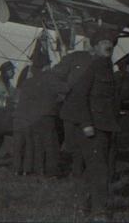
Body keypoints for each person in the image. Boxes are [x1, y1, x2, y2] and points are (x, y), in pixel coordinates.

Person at [61, 28, 121, 219]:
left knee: (96, 168)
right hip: (93, 127)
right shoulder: (92, 68)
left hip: (106, 126)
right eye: (103, 43)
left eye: (110, 43)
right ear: (94, 48)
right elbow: (79, 96)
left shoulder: (108, 69)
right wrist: (86, 124)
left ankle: (83, 205)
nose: (108, 46)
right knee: (100, 169)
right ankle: (99, 211)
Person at [52, 38, 96, 177]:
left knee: (87, 143)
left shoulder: (101, 62)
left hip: (91, 109)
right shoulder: (76, 57)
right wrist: (65, 89)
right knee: (71, 143)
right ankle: (73, 171)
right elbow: (55, 74)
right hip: (72, 107)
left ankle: (80, 172)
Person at [30, 46, 66, 177]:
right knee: (51, 143)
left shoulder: (32, 79)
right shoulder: (50, 78)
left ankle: (38, 170)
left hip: (34, 116)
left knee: (38, 143)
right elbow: (64, 90)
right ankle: (52, 172)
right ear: (46, 66)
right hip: (47, 115)